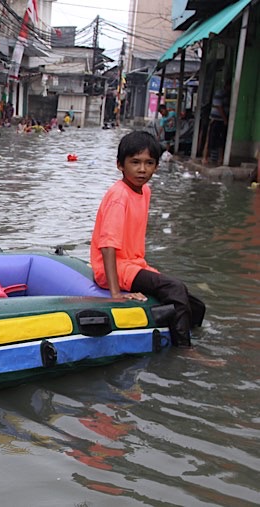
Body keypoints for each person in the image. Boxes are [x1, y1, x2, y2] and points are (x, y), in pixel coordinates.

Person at [90, 131, 205, 347]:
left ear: (156, 166)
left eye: (149, 163)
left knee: (195, 305)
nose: (142, 169)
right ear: (120, 165)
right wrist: (116, 294)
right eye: (135, 162)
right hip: (116, 268)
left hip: (134, 265)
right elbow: (107, 246)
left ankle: (189, 336)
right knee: (176, 288)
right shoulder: (119, 196)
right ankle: (185, 350)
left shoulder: (145, 191)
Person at [203, 83, 230, 164]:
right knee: (210, 140)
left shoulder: (227, 95)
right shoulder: (220, 93)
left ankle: (220, 159)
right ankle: (205, 158)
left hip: (221, 120)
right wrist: (225, 119)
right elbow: (219, 107)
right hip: (216, 120)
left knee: (221, 141)